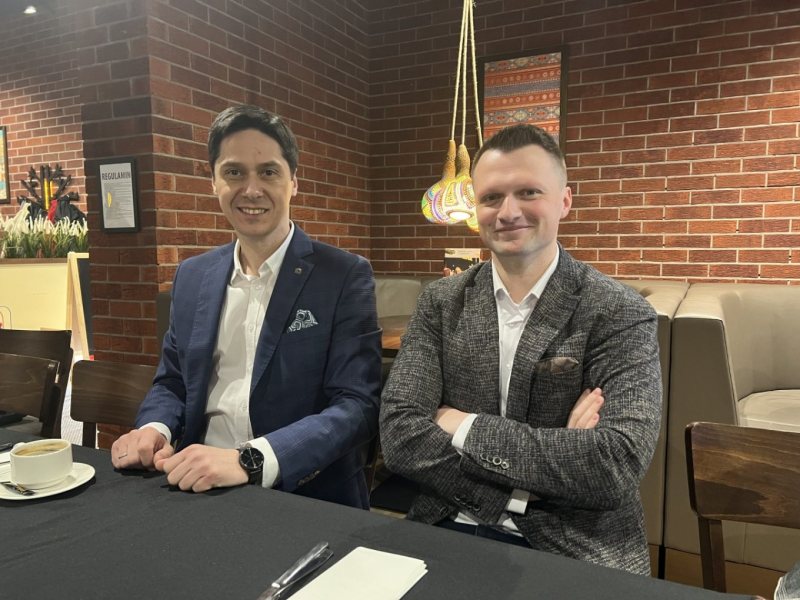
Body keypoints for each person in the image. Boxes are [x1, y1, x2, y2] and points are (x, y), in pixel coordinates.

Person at [379, 124, 662, 574]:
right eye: (491, 197)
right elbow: (399, 436)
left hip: (574, 542)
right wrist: (540, 473)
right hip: (446, 521)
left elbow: (614, 464)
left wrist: (461, 424)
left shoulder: (619, 311)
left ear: (564, 201)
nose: (508, 212)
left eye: (529, 192)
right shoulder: (441, 302)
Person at [112, 105, 382, 509]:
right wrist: (155, 427)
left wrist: (250, 461)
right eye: (234, 172)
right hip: (196, 484)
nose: (251, 189)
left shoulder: (343, 275)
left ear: (293, 181)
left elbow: (357, 405)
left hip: (304, 495)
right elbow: (172, 381)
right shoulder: (192, 276)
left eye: (268, 172)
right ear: (214, 182)